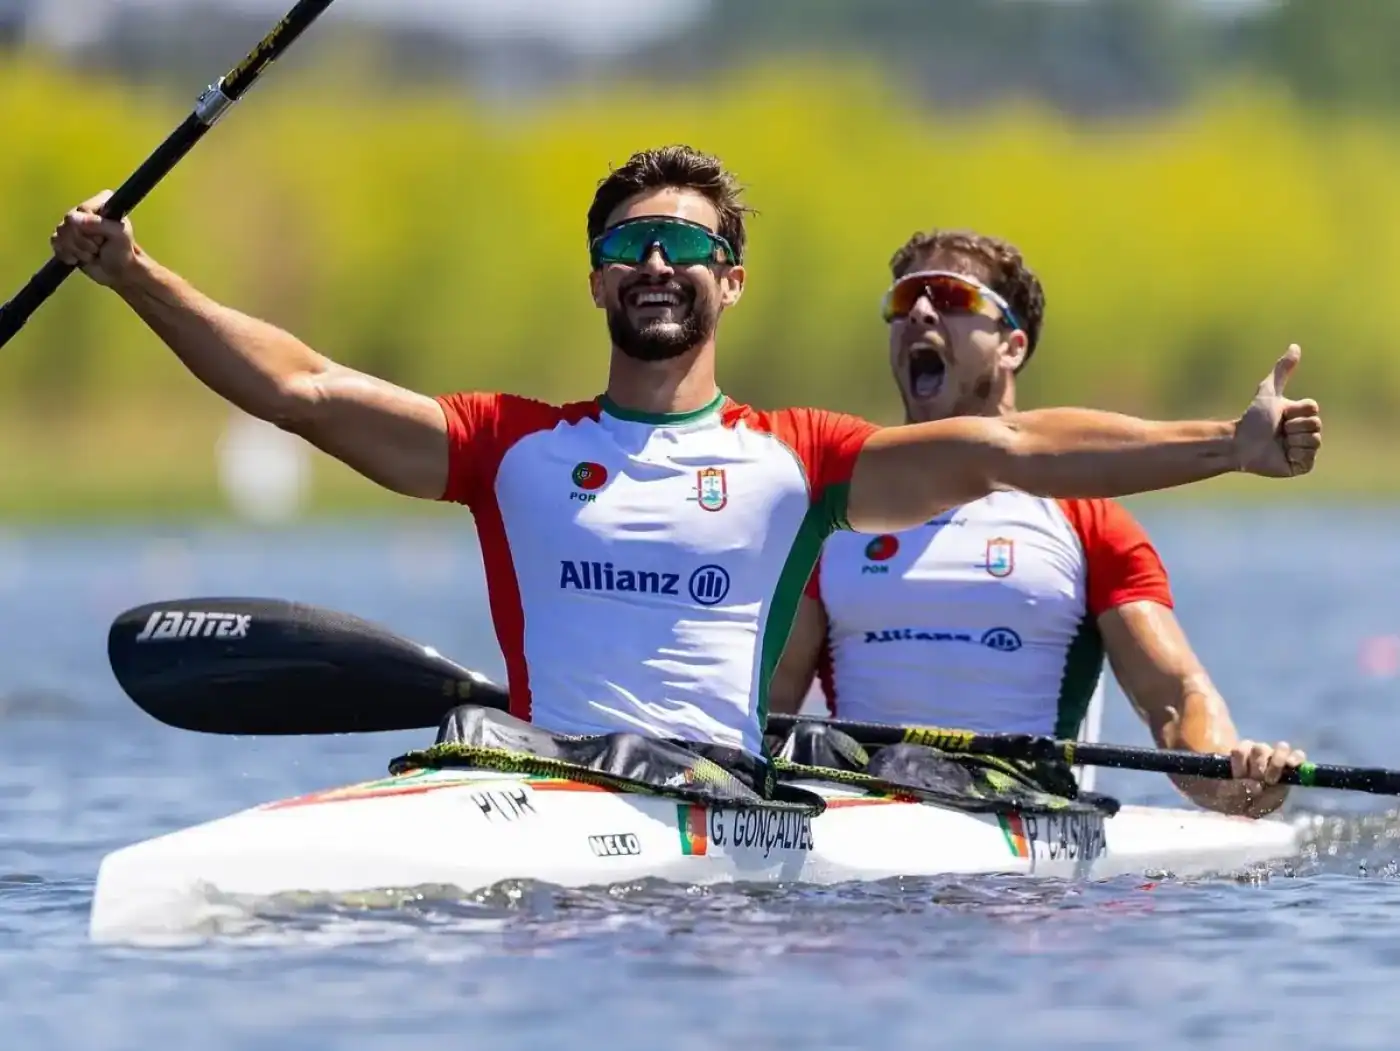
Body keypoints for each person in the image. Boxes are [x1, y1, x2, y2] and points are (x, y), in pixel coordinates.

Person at [48, 145, 1321, 775]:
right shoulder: (507, 445)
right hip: (543, 780)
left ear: (730, 281)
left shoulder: (799, 460)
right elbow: (302, 388)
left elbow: (1008, 448)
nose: (655, 262)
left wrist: (1226, 443)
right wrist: (132, 273)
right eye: (629, 240)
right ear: (598, 274)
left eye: (683, 243)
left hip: (723, 816)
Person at [769, 229, 1308, 817]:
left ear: (1012, 347)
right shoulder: (837, 515)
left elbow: (1175, 698)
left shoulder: (1088, 522)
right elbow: (770, 703)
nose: (920, 311)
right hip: (854, 805)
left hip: (1023, 826)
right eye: (904, 301)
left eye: (949, 296)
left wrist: (1233, 778)